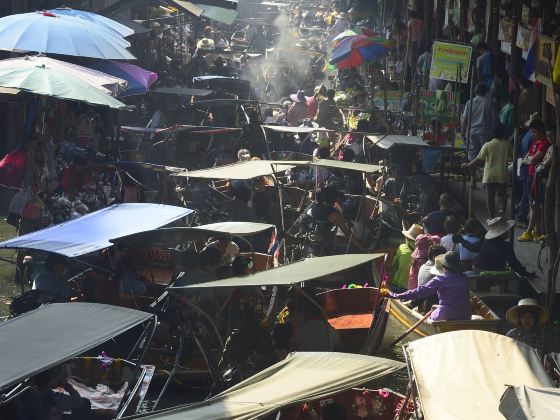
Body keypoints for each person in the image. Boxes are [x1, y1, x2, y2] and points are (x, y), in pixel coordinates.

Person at [389, 251, 471, 321]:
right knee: (435, 307)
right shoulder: (464, 278)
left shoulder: (441, 279)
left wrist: (396, 295)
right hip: (466, 316)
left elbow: (420, 292)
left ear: (444, 266)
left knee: (432, 313)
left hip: (446, 316)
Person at [462, 124, 512, 218]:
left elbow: (478, 159)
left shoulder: (487, 145)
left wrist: (468, 164)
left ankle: (491, 217)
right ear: (504, 134)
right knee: (502, 195)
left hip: (490, 174)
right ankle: (502, 210)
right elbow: (512, 157)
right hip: (502, 173)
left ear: (492, 134)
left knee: (490, 196)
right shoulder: (507, 144)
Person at [518, 119, 551, 242]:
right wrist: (530, 159)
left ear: (541, 130)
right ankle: (536, 231)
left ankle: (529, 232)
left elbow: (532, 160)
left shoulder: (544, 143)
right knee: (532, 204)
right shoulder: (536, 142)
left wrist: (530, 159)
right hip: (531, 175)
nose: (532, 134)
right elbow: (526, 158)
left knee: (534, 204)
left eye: (534, 132)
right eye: (531, 132)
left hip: (536, 177)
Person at [461, 83, 497, 161]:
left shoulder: (469, 102)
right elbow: (495, 119)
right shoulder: (490, 102)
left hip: (472, 132)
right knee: (486, 155)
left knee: (472, 156)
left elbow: (465, 119)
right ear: (485, 92)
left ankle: (473, 173)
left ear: (475, 92)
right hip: (485, 132)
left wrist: (463, 133)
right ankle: (484, 172)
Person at [391, 224, 423, 290]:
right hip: (414, 289)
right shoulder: (424, 251)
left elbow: (394, 266)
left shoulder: (402, 247)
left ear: (407, 237)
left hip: (398, 285)